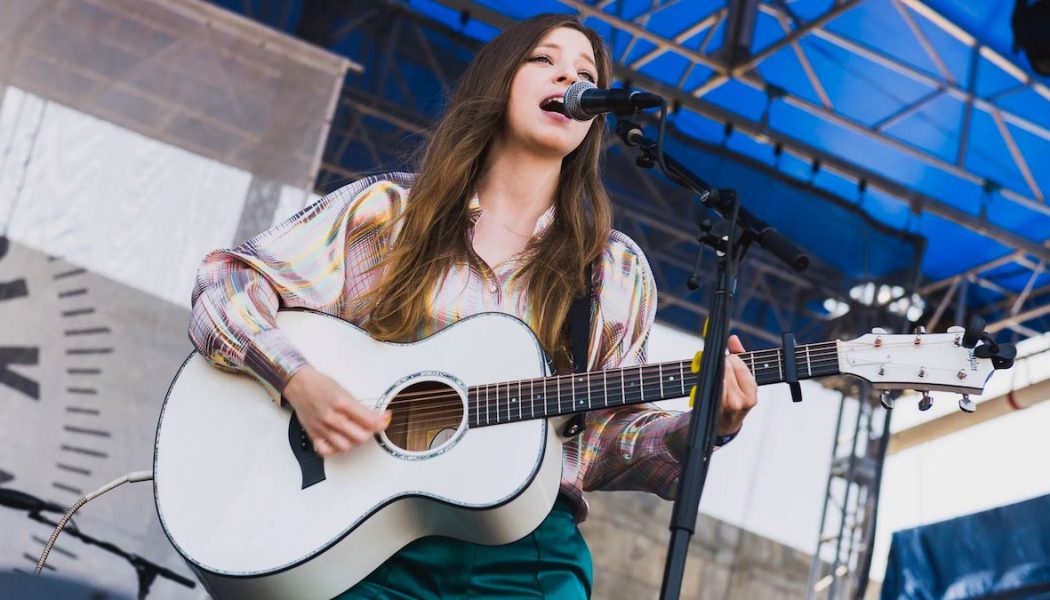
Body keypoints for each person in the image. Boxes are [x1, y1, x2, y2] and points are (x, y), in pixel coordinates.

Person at [189, 12, 758, 599]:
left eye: (586, 72)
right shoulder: (387, 214)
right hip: (363, 532)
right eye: (545, 60)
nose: (569, 78)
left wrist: (702, 429)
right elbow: (225, 285)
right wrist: (299, 380)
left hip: (526, 553)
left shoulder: (612, 268)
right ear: (499, 81)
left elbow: (601, 441)